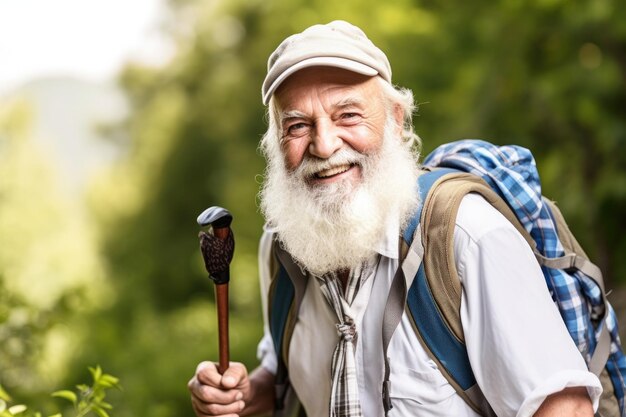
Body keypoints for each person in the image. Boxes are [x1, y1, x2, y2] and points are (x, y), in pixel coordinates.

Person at [188, 20, 603, 417]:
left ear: (395, 120)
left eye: (348, 115)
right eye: (297, 125)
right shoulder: (284, 247)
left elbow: (565, 408)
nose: (325, 144)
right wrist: (244, 393)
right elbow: (287, 375)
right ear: (276, 144)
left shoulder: (465, 237)